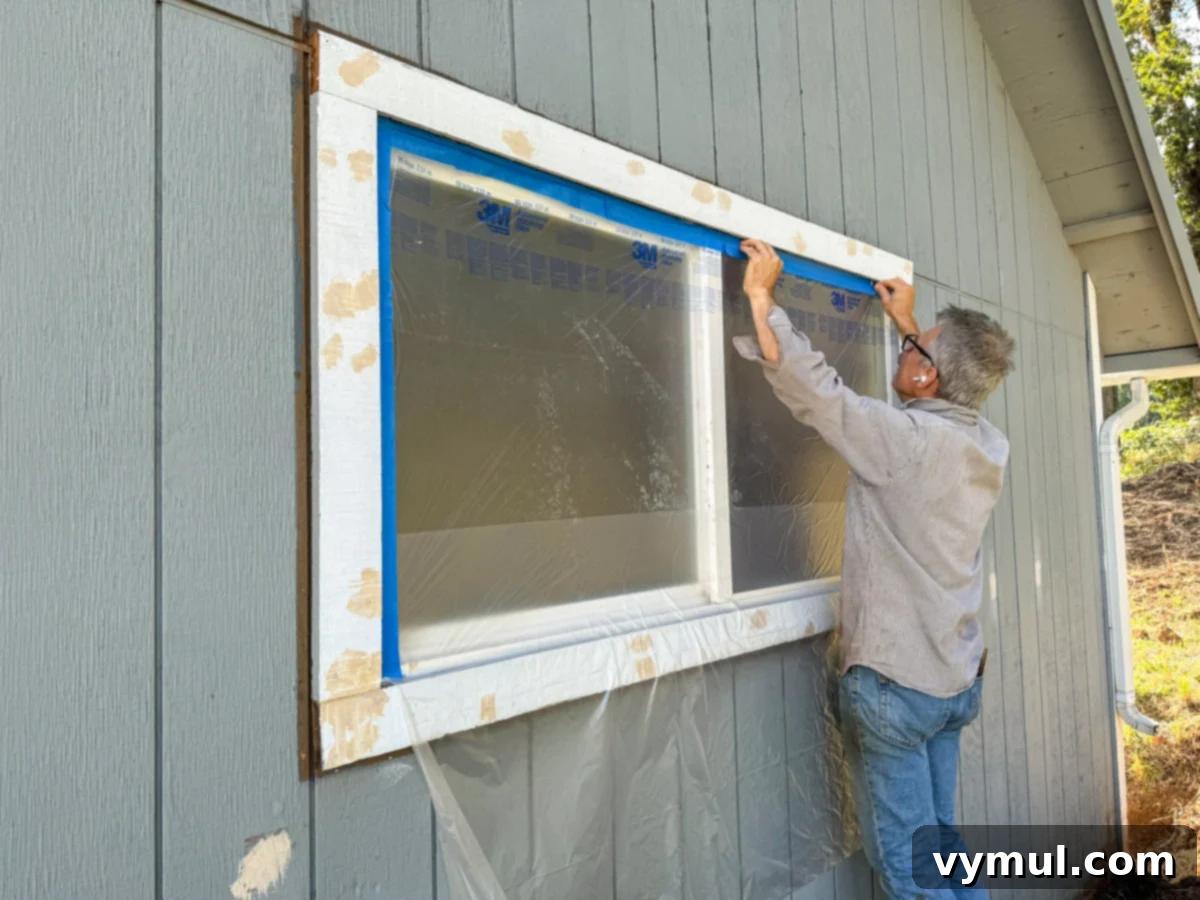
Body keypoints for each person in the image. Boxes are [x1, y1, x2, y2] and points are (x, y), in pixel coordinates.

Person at [733, 239, 1015, 899]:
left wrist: (760, 298)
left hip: (898, 688)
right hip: (952, 681)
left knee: (912, 879)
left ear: (924, 377)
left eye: (914, 350)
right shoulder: (985, 444)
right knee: (943, 852)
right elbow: (944, 389)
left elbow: (817, 392)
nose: (903, 351)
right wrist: (912, 329)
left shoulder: (904, 442)